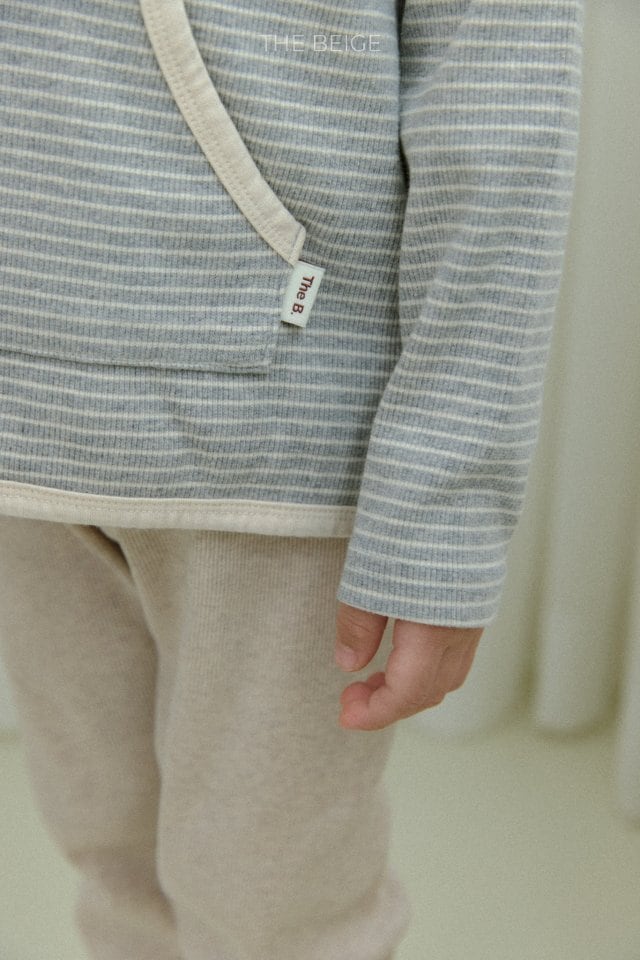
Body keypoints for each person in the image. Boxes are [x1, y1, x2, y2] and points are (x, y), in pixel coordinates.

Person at [0, 1, 583, 958]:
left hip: (280, 436)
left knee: (276, 912)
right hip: (26, 422)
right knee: (112, 864)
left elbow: (499, 105)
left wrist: (445, 512)